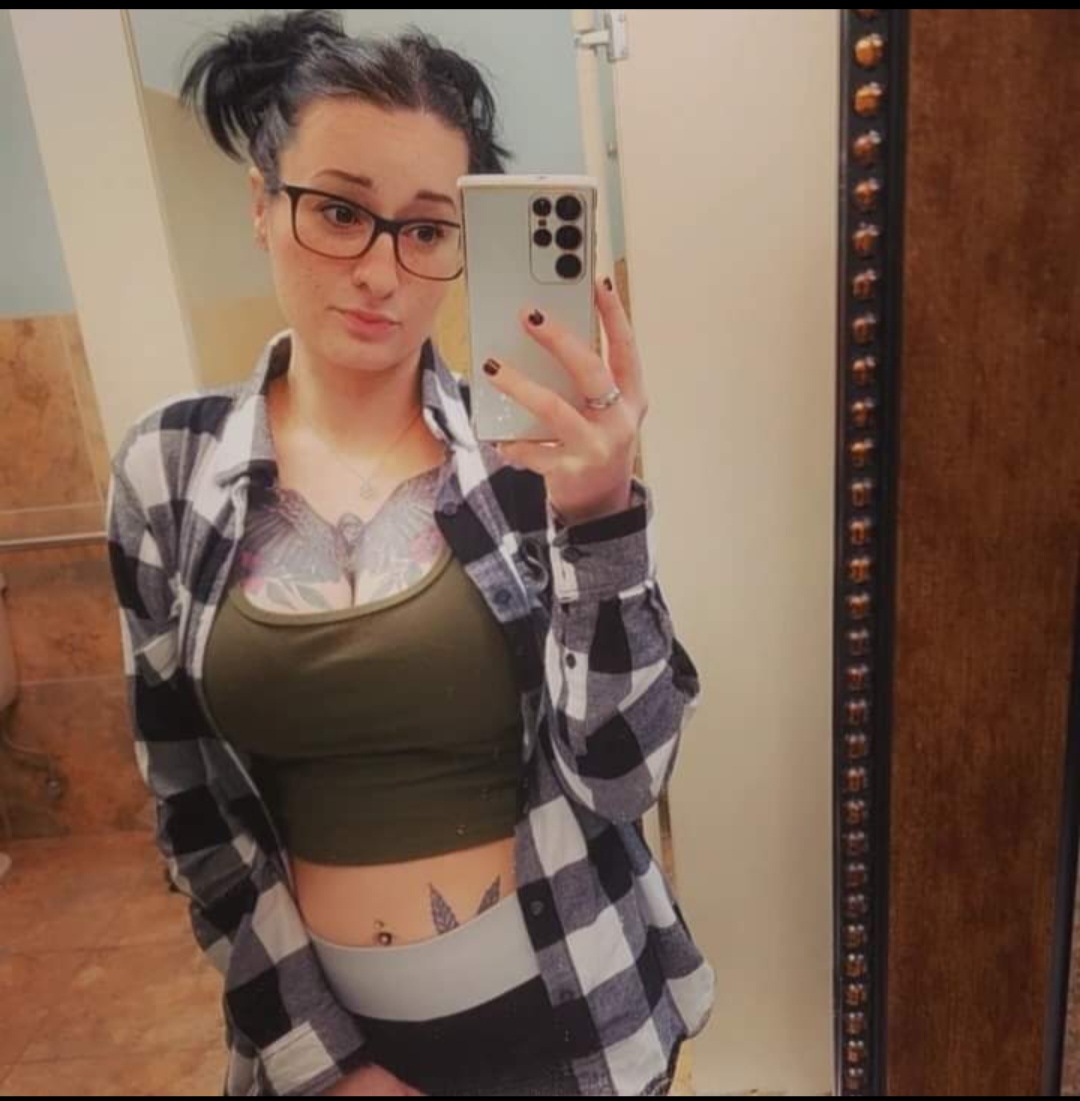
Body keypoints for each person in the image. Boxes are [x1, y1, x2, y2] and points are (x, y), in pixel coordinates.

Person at [106, 10, 713, 1097]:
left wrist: (603, 516)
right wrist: (330, 1067)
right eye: (340, 212)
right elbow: (193, 817)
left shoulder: (530, 458)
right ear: (261, 204)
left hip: (578, 1020)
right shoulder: (169, 468)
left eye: (427, 230)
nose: (382, 271)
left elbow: (625, 777)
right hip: (327, 1050)